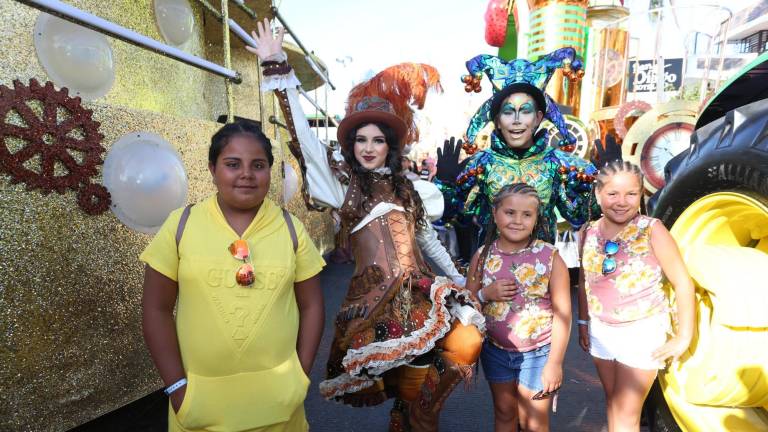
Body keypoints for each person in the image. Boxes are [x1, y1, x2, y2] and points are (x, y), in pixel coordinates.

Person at [247, 19, 484, 432]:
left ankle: (414, 414)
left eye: (377, 140)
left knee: (465, 342)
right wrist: (278, 69)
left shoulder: (408, 190)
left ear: (389, 146)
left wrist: (457, 277)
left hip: (424, 291)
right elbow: (305, 142)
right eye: (361, 140)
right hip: (377, 300)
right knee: (410, 383)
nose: (369, 148)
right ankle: (410, 417)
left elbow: (428, 241)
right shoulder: (343, 187)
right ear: (351, 145)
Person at [140, 119, 326, 432]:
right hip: (200, 405)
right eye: (232, 164)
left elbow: (312, 306)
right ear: (212, 169)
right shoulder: (180, 225)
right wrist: (176, 389)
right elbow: (155, 309)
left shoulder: (291, 228)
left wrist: (301, 375)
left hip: (279, 403)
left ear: (269, 171)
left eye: (258, 165)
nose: (246, 175)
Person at [435, 48, 598, 249]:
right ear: (498, 120)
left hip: (542, 272)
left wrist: (600, 185)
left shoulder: (559, 163)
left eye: (525, 111)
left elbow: (580, 215)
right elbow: (449, 218)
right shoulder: (480, 163)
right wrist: (445, 184)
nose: (517, 120)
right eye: (508, 112)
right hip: (490, 272)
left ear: (538, 118)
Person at [577, 161, 695, 432]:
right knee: (613, 403)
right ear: (598, 195)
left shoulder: (652, 229)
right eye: (613, 194)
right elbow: (585, 279)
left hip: (642, 331)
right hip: (601, 332)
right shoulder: (587, 232)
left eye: (630, 194)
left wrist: (683, 336)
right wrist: (583, 322)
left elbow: (682, 282)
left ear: (641, 194)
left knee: (627, 414)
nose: (621, 202)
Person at [467, 183, 571, 432]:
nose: (517, 220)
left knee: (533, 421)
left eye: (527, 215)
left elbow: (563, 314)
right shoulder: (482, 257)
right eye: (510, 212)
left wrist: (554, 363)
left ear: (536, 219)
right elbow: (467, 305)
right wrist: (485, 293)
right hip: (495, 352)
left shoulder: (550, 257)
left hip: (539, 353)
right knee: (504, 412)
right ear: (495, 214)